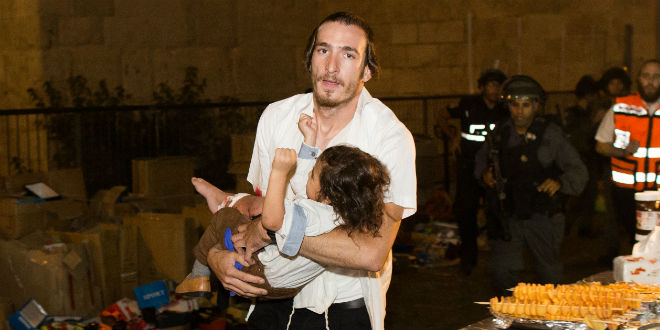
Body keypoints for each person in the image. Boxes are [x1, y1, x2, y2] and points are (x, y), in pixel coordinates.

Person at [191, 12, 417, 330]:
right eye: (323, 50)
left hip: (345, 310)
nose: (332, 66)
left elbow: (370, 252)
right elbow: (255, 211)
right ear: (310, 59)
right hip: (271, 299)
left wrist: (273, 229)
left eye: (348, 54)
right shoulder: (277, 117)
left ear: (367, 70)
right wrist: (216, 257)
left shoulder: (389, 138)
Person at [176, 142, 390, 300]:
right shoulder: (345, 216)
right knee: (240, 225)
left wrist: (279, 172)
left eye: (313, 175)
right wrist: (308, 144)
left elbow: (271, 222)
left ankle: (199, 274)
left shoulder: (311, 213)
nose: (307, 175)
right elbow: (303, 186)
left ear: (326, 195)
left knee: (225, 218)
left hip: (259, 274)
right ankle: (230, 201)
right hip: (287, 288)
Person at [474, 75, 587, 296]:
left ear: (536, 105)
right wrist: (484, 175)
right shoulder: (499, 134)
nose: (519, 111)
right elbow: (479, 163)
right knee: (503, 274)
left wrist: (560, 183)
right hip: (509, 215)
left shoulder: (551, 135)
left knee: (550, 278)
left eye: (526, 105)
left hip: (542, 215)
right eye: (515, 105)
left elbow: (579, 171)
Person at [436, 69, 508, 275]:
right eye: (491, 85)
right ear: (483, 87)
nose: (495, 90)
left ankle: (501, 259)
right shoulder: (469, 104)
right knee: (466, 212)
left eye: (498, 86)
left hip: (494, 168)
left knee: (496, 212)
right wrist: (451, 136)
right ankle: (468, 258)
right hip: (468, 166)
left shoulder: (505, 109)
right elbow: (442, 114)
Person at [594, 59, 660, 247]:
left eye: (656, 77)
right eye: (646, 76)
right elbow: (600, 145)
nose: (650, 81)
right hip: (627, 192)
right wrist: (622, 151)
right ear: (639, 79)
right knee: (637, 240)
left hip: (658, 192)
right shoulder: (620, 108)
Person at [562, 75, 603, 238]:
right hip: (578, 159)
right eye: (592, 94)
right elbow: (577, 136)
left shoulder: (588, 113)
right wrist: (593, 122)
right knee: (575, 197)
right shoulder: (573, 114)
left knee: (590, 195)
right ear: (587, 94)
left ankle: (585, 229)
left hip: (590, 158)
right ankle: (564, 228)